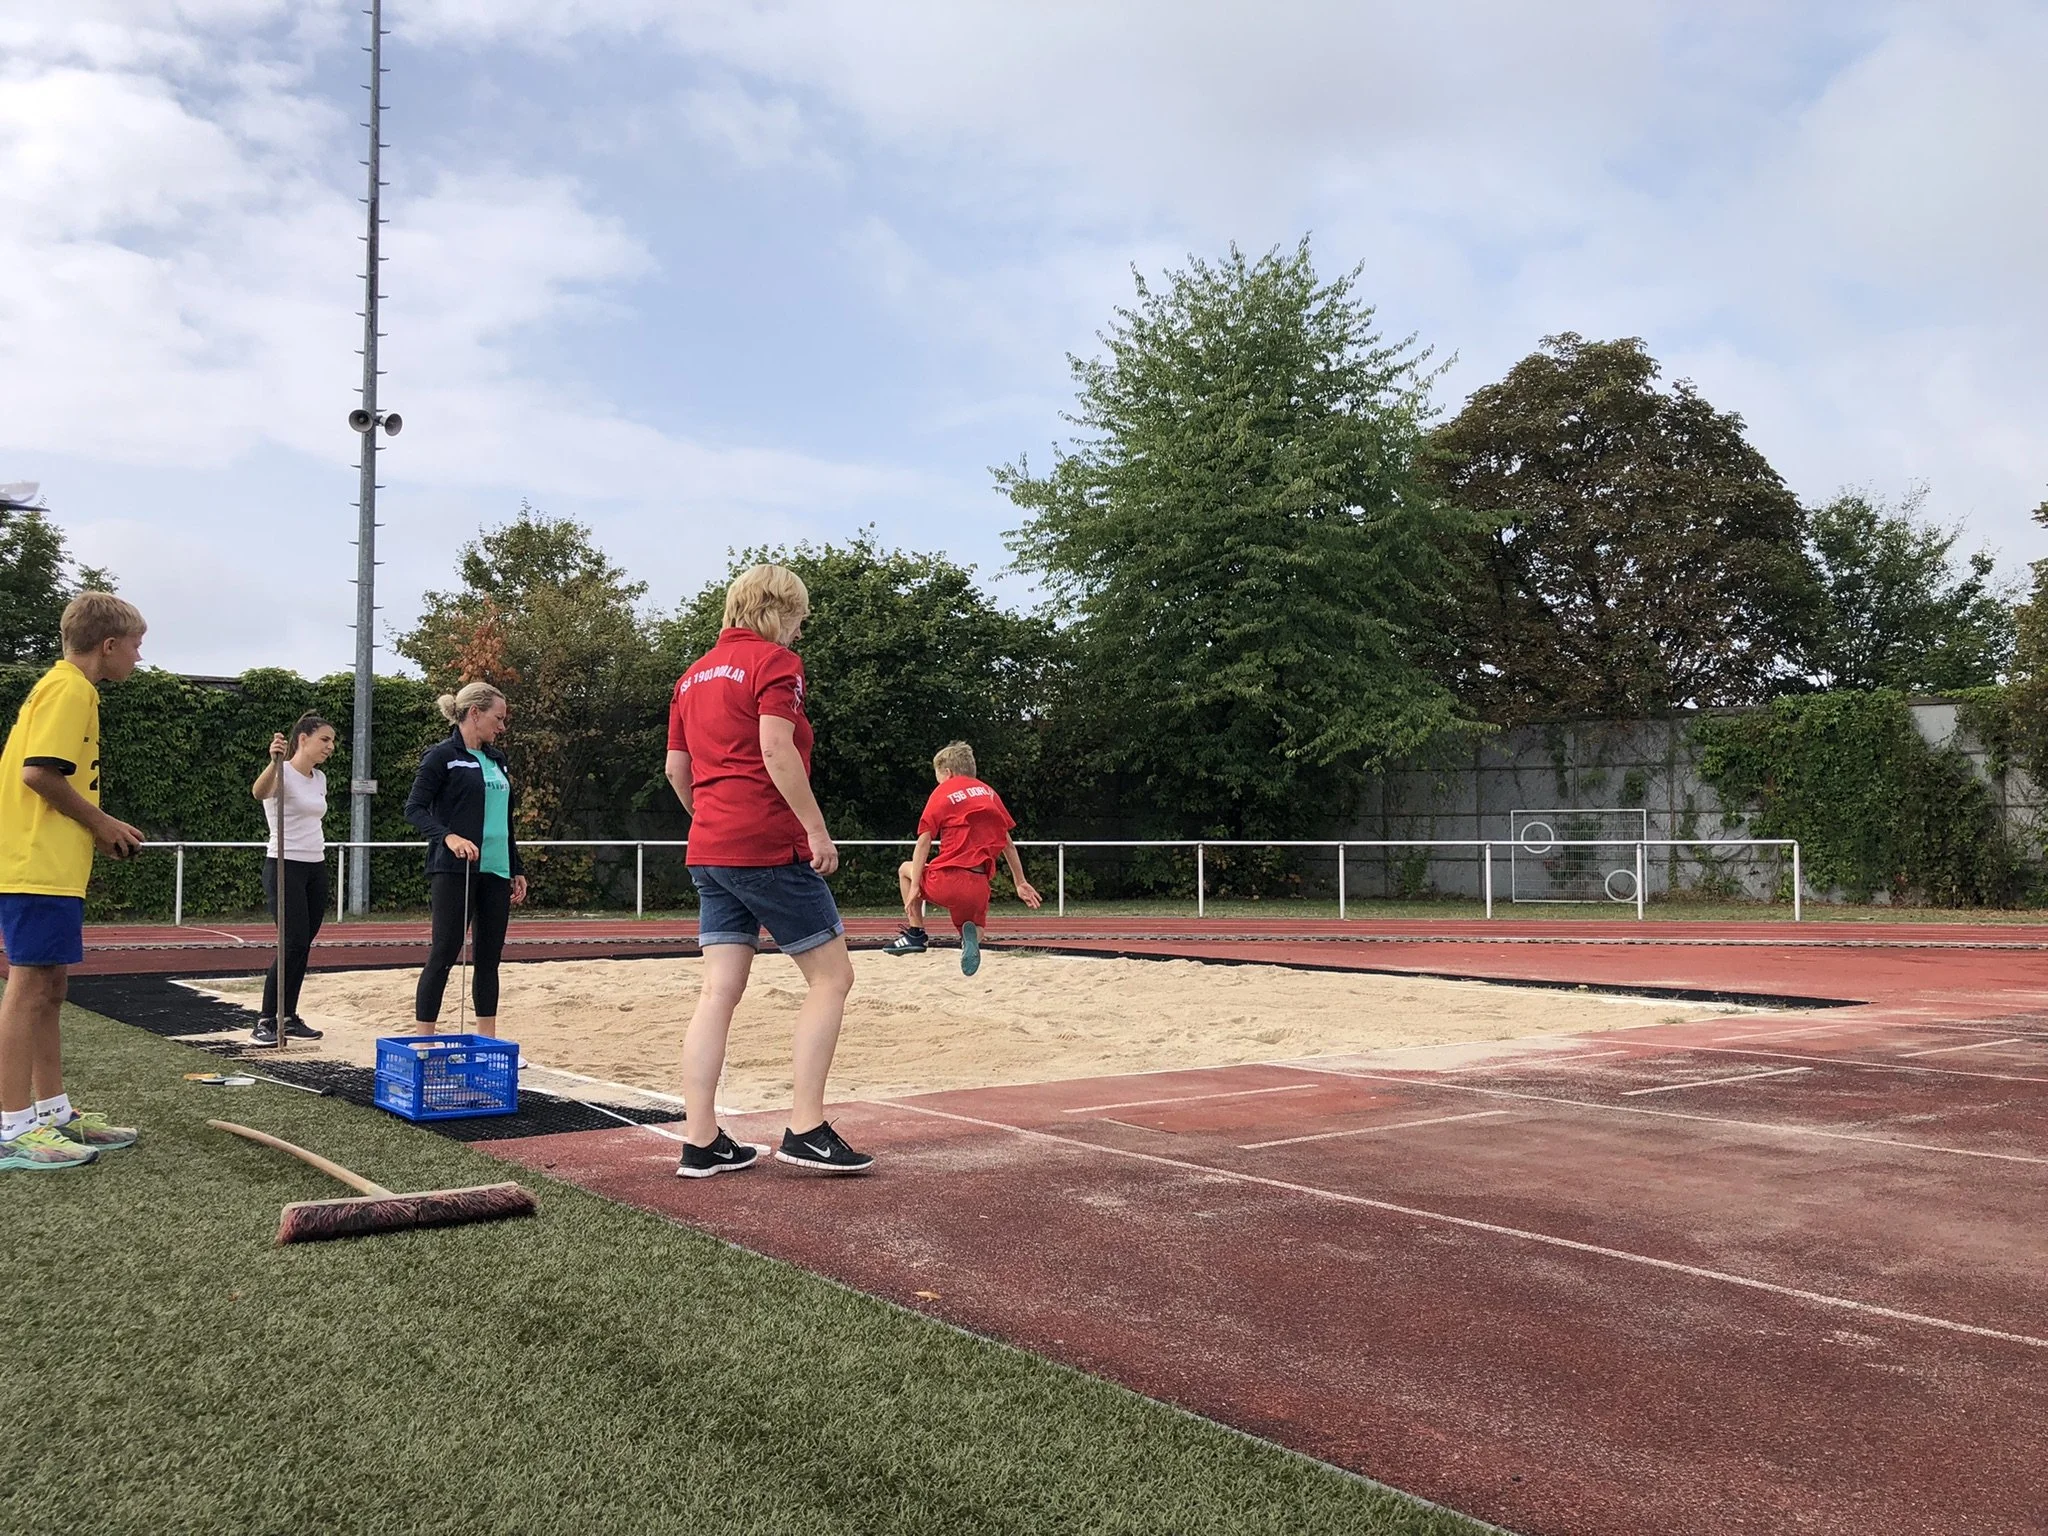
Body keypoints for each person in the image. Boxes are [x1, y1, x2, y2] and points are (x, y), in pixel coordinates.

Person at [665, 563, 871, 1178]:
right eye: (798, 617)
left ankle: (701, 1140)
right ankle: (806, 1127)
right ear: (776, 610)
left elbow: (677, 770)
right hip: (766, 846)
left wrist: (713, 820)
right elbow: (776, 749)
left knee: (717, 993)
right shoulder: (776, 663)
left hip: (710, 847)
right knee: (832, 978)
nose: (800, 630)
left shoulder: (690, 676)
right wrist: (816, 829)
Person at [0, 593, 148, 1172]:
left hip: (50, 864)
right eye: (135, 645)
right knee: (29, 986)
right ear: (108, 645)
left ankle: (53, 1112)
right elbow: (39, 773)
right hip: (35, 861)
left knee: (51, 986)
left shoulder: (61, 687)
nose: (139, 656)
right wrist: (101, 822)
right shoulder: (72, 689)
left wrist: (93, 832)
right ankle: (13, 1127)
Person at [404, 682, 526, 1039]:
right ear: (475, 713)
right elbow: (414, 809)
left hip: (497, 870)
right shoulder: (442, 755)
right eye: (497, 718)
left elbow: (504, 820)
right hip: (455, 870)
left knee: (489, 959)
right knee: (444, 953)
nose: (502, 727)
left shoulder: (497, 759)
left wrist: (516, 866)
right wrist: (449, 837)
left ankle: (487, 1040)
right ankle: (425, 1040)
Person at [883, 740, 1041, 975]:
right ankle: (970, 938)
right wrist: (1020, 881)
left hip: (947, 879)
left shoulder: (943, 792)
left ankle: (916, 934)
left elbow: (924, 841)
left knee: (905, 869)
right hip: (978, 885)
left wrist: (915, 885)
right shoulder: (989, 793)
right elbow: (1007, 843)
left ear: (947, 773)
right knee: (977, 929)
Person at [247, 713, 336, 1046]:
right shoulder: (281, 772)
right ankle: (265, 1019)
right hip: (285, 864)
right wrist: (274, 761)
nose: (330, 746)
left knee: (303, 944)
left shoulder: (319, 778)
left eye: (332, 741)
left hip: (315, 865)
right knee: (292, 942)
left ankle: (288, 1016)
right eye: (324, 739)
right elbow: (259, 793)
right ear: (303, 739)